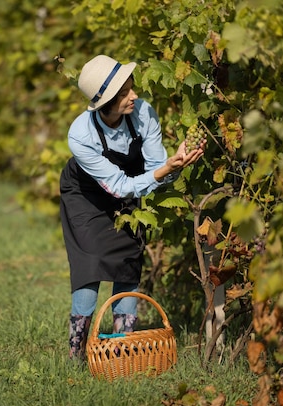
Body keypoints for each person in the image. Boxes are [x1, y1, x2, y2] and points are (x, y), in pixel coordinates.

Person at [60, 55, 206, 360]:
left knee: (128, 259)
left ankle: (120, 349)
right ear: (105, 103)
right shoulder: (80, 135)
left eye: (131, 88)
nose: (134, 96)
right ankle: (76, 352)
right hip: (86, 195)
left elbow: (155, 168)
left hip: (131, 186)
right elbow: (116, 186)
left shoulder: (143, 114)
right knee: (91, 261)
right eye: (124, 93)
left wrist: (174, 166)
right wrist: (162, 171)